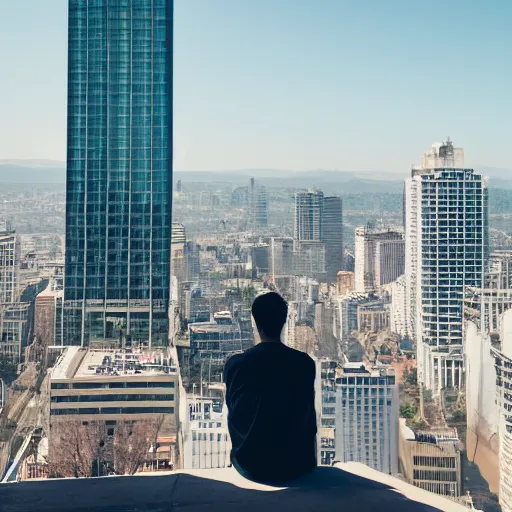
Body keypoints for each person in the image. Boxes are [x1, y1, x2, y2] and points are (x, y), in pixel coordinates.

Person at [224, 292, 317, 484]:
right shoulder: (304, 364)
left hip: (250, 464)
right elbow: (308, 416)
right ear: (284, 321)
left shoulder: (236, 364)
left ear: (255, 322)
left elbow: (235, 414)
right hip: (295, 465)